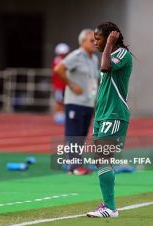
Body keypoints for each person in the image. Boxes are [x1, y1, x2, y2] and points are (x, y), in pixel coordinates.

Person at [86, 22, 133, 218]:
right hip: (103, 114)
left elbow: (106, 67)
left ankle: (111, 208)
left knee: (102, 158)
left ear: (110, 38)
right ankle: (108, 204)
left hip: (114, 114)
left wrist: (108, 46)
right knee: (102, 160)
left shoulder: (121, 54)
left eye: (98, 38)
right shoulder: (111, 54)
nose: (94, 42)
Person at [54, 29, 99, 175]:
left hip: (88, 102)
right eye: (92, 40)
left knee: (81, 134)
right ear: (82, 42)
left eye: (96, 40)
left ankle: (76, 163)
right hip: (75, 101)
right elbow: (59, 69)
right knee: (73, 134)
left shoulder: (94, 59)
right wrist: (72, 85)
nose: (95, 43)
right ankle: (74, 166)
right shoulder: (76, 56)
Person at [52, 43, 70, 124]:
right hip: (59, 85)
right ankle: (58, 115)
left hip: (66, 85)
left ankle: (63, 115)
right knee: (59, 101)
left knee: (65, 101)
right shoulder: (57, 60)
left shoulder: (68, 59)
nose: (63, 55)